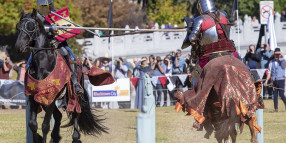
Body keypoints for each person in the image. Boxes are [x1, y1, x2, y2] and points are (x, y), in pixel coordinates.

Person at [27, 0, 84, 95]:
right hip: (42, 44)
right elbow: (34, 31)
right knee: (28, 64)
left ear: (50, 5)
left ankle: (75, 84)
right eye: (41, 6)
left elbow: (66, 29)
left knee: (71, 57)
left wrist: (56, 34)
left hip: (58, 42)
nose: (43, 9)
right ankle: (30, 86)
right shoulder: (36, 17)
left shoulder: (58, 15)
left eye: (45, 6)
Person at [264, 48, 286, 112]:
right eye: (275, 54)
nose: (276, 56)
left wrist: (280, 53)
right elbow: (269, 72)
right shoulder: (271, 62)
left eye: (278, 54)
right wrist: (266, 81)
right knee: (275, 95)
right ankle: (276, 108)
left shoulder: (283, 61)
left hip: (281, 79)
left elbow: (285, 57)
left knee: (281, 94)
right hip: (274, 80)